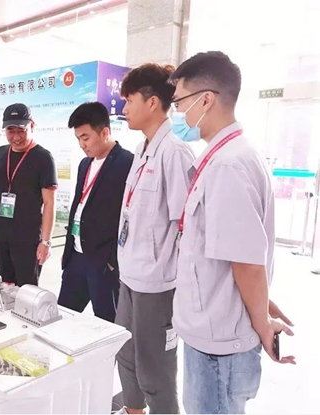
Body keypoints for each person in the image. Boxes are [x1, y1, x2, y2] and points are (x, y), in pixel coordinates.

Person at [169, 51, 295, 414]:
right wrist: (262, 304)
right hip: (214, 332)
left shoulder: (228, 164)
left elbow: (247, 264)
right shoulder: (228, 155)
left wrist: (262, 323)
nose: (177, 112)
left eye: (179, 101)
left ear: (206, 100)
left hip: (219, 345)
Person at [114, 63, 195, 414]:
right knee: (126, 356)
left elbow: (187, 228)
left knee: (155, 370)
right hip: (130, 275)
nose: (124, 108)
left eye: (129, 100)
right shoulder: (141, 149)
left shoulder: (174, 153)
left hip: (157, 285)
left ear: (152, 102)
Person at [57, 102, 133, 322]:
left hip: (103, 262)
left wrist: (113, 259)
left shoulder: (127, 163)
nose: (82, 144)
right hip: (76, 257)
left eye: (86, 137)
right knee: (62, 317)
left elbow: (129, 216)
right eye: (78, 139)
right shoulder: (85, 164)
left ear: (105, 132)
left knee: (108, 323)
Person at [0, 103, 57, 286]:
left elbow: (49, 203)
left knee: (26, 289)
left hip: (27, 237)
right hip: (0, 233)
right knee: (6, 285)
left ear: (32, 125)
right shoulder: (0, 153)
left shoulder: (43, 158)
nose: (16, 137)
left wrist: (46, 241)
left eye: (21, 130)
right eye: (10, 131)